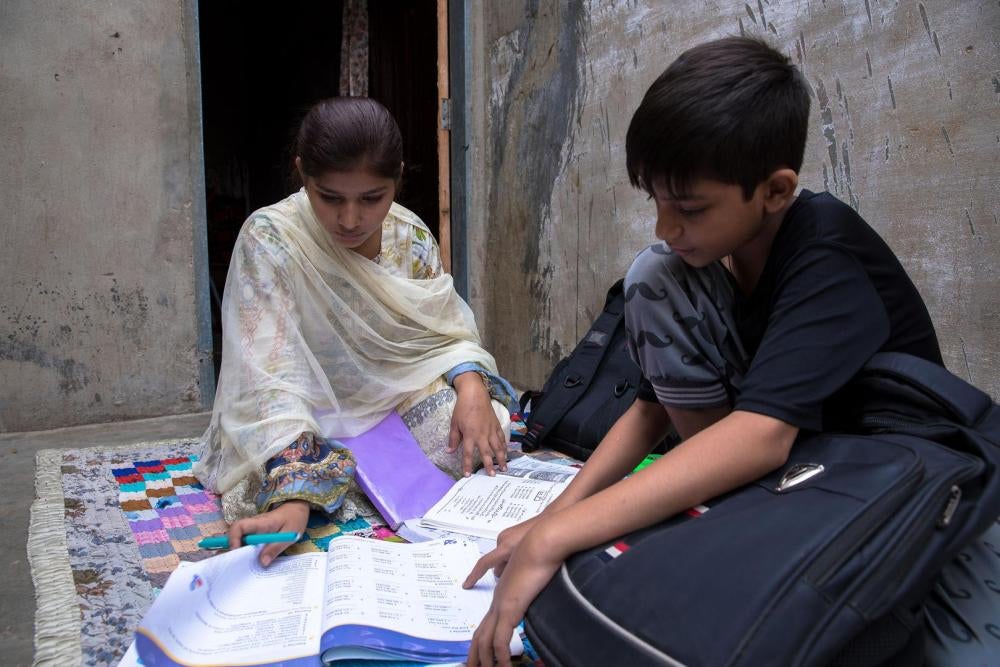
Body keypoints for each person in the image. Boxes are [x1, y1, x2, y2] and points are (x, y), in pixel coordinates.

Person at [464, 36, 985, 666]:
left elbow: (761, 437)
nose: (665, 226)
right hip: (778, 468)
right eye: (656, 202)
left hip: (867, 479)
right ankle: (713, 512)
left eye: (688, 209)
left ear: (774, 190)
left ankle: (718, 523)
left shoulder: (826, 253)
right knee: (652, 275)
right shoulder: (710, 263)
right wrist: (552, 517)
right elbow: (651, 411)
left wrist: (558, 539)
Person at [193, 97, 518, 567]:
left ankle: (352, 477)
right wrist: (294, 491)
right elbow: (268, 376)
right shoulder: (271, 239)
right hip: (300, 406)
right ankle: (312, 482)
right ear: (302, 173)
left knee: (477, 432)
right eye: (330, 197)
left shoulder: (411, 237)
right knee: (254, 484)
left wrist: (471, 388)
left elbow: (440, 335)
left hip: (385, 397)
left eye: (371, 199)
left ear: (397, 180)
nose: (350, 220)